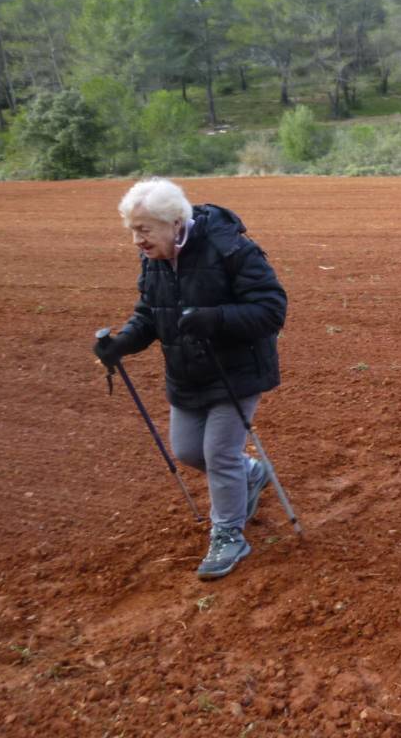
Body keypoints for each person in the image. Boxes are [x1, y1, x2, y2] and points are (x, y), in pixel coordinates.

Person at [93, 178, 288, 580]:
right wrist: (122, 344)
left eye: (144, 230)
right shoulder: (154, 258)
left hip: (237, 370)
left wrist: (215, 319)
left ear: (174, 222)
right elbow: (151, 311)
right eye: (132, 230)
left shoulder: (228, 247)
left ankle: (229, 533)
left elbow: (271, 308)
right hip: (186, 371)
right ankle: (250, 474)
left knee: (219, 454)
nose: (136, 240)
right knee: (187, 451)